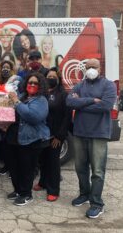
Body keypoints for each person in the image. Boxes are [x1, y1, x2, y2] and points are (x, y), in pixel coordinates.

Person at [66, 58, 117, 219]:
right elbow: (69, 101)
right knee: (80, 167)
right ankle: (84, 194)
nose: (91, 69)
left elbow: (106, 106)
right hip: (80, 132)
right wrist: (90, 100)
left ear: (100, 68)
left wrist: (81, 104)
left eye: (94, 66)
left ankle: (96, 203)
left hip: (99, 134)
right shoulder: (81, 85)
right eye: (88, 67)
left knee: (98, 171)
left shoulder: (109, 85)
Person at [7, 72, 50, 206]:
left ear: (40, 85)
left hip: (31, 140)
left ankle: (26, 194)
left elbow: (32, 116)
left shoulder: (41, 100)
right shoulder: (22, 96)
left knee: (27, 168)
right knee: (14, 167)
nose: (31, 85)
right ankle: (18, 190)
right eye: (30, 82)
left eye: (35, 83)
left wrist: (16, 101)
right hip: (14, 137)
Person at [33, 68, 71, 202]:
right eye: (48, 76)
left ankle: (53, 190)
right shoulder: (41, 93)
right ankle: (43, 183)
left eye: (53, 76)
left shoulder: (63, 94)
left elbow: (67, 117)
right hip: (42, 134)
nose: (50, 78)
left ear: (59, 79)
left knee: (53, 162)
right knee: (42, 160)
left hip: (55, 135)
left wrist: (60, 136)